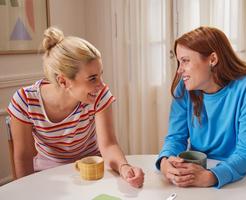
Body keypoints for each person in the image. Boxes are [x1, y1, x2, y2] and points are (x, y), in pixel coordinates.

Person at [7, 27, 144, 188]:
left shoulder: (98, 94)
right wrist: (25, 192)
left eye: (100, 75)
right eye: (92, 78)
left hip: (92, 172)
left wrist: (124, 167)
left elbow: (108, 145)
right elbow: (23, 157)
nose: (101, 84)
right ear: (63, 81)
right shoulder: (25, 101)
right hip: (47, 177)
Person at [156, 26, 246, 188]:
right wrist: (165, 162)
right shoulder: (184, 88)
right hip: (199, 173)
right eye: (179, 62)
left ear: (212, 59)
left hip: (242, 178)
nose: (179, 70)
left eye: (185, 61)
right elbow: (175, 137)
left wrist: (211, 176)